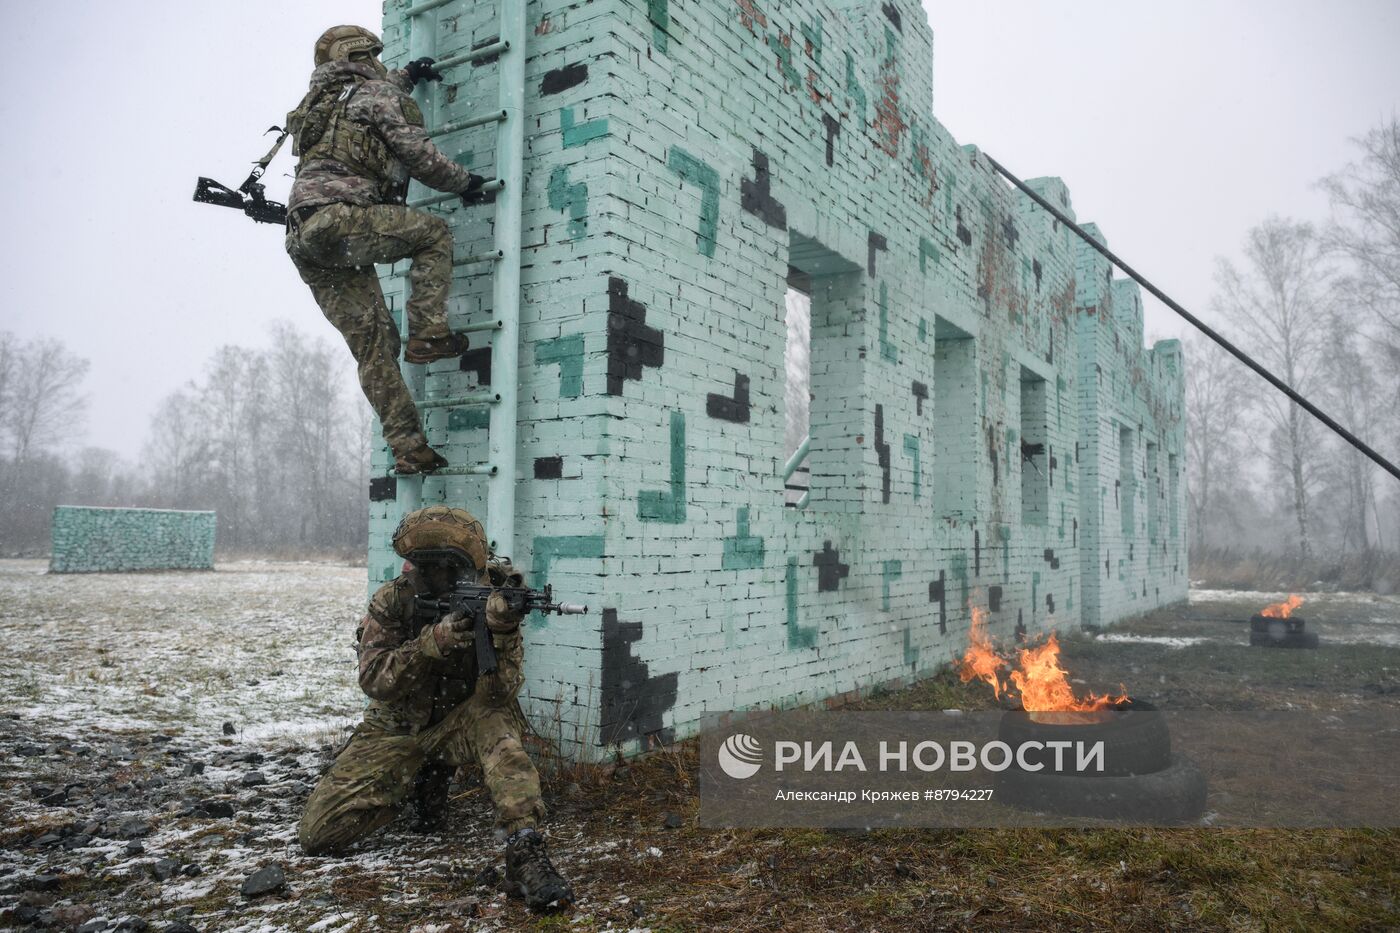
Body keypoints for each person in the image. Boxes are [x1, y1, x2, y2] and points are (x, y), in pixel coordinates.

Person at [299, 506, 574, 910]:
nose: (424, 576)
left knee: (500, 728)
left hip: (460, 722)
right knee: (319, 835)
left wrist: (501, 633)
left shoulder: (496, 599)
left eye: (441, 568)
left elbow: (500, 693)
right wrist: (432, 643)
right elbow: (374, 679)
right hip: (395, 728)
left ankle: (524, 849)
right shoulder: (393, 601)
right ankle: (416, 781)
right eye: (422, 567)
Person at [284, 25, 488, 475]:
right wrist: (465, 183)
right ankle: (429, 334)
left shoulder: (318, 105)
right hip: (344, 221)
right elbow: (417, 155)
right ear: (364, 55)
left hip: (305, 238)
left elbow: (364, 99)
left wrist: (406, 75)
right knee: (433, 233)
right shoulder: (374, 94)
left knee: (374, 348)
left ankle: (409, 448)